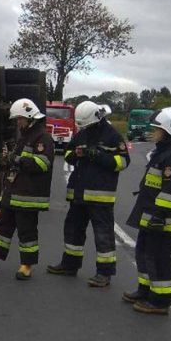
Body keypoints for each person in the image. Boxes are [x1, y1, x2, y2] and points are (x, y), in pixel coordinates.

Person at [47, 101, 130, 287]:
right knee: (73, 231)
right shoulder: (82, 132)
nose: (84, 128)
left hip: (101, 197)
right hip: (79, 194)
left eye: (87, 124)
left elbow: (123, 162)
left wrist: (96, 154)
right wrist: (76, 154)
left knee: (103, 235)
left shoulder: (112, 136)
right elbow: (67, 155)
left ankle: (104, 274)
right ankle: (70, 265)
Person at [0, 98, 54, 280]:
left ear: (30, 117)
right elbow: (19, 160)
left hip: (29, 195)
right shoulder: (25, 136)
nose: (18, 122)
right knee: (2, 227)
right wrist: (9, 159)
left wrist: (16, 160)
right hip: (14, 192)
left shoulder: (42, 138)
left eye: (20, 119)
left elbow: (42, 163)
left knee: (27, 232)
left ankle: (26, 265)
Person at [123, 107, 171, 315]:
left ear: (169, 132)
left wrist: (159, 216)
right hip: (152, 217)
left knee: (159, 258)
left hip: (163, 221)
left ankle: (161, 301)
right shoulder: (163, 153)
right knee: (144, 253)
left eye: (156, 129)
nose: (152, 132)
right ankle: (145, 291)